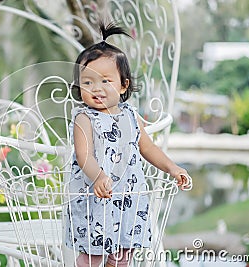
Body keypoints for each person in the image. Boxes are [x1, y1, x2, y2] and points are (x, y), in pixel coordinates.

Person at [65, 21, 190, 267]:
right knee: (92, 255)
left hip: (128, 197)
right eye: (88, 82)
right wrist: (98, 176)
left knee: (123, 254)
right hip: (95, 198)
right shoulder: (84, 118)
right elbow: (84, 156)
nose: (96, 89)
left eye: (105, 81)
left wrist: (172, 168)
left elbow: (148, 148)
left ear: (123, 85)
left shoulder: (130, 115)